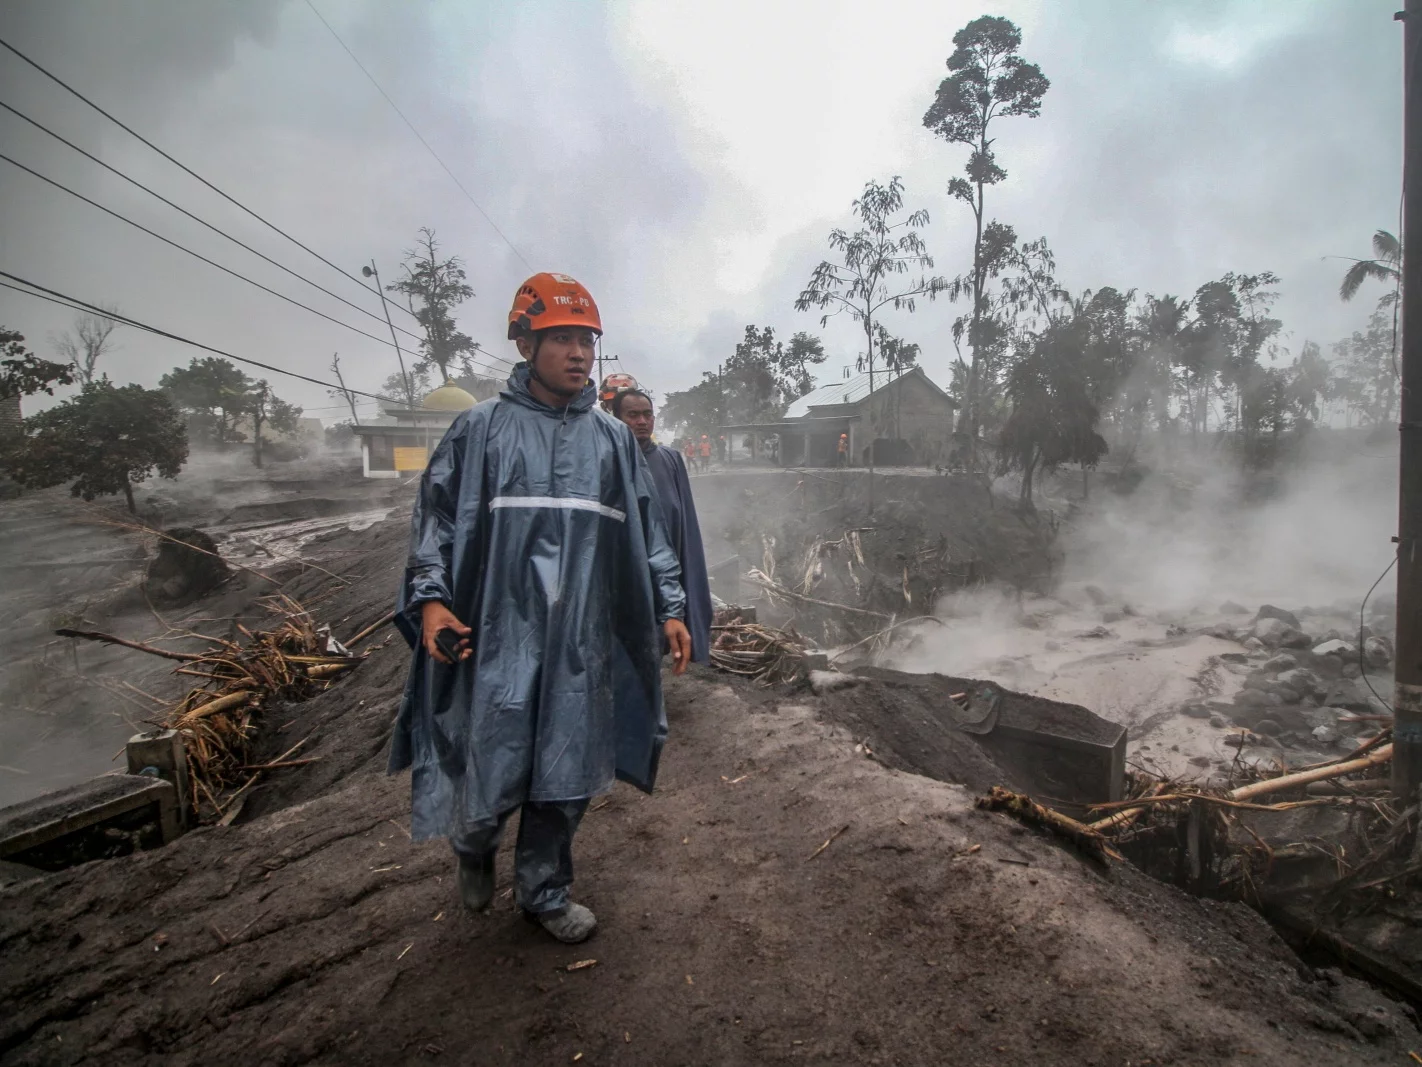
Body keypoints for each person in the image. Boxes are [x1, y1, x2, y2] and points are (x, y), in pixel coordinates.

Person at [389, 271, 691, 945]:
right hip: (498, 632)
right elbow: (433, 521)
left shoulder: (612, 440)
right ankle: (473, 843)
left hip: (579, 636)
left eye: (585, 339)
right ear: (525, 343)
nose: (578, 353)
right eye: (560, 338)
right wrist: (432, 600)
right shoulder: (482, 429)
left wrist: (671, 605)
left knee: (567, 771)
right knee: (490, 754)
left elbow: (648, 531)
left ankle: (544, 889)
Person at [611, 389, 713, 665]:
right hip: (625, 565)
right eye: (633, 415)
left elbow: (684, 518)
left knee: (657, 638)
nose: (642, 421)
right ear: (616, 418)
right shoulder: (608, 459)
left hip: (667, 563)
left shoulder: (670, 460)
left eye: (647, 415)